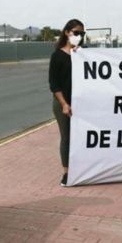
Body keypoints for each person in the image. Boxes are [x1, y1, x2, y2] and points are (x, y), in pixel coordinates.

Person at [49, 19, 85, 186]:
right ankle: (67, 172)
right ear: (67, 32)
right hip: (63, 103)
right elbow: (54, 84)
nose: (79, 36)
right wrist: (64, 104)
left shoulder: (82, 54)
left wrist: (80, 54)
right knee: (67, 137)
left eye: (82, 34)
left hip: (81, 103)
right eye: (76, 33)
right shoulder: (57, 56)